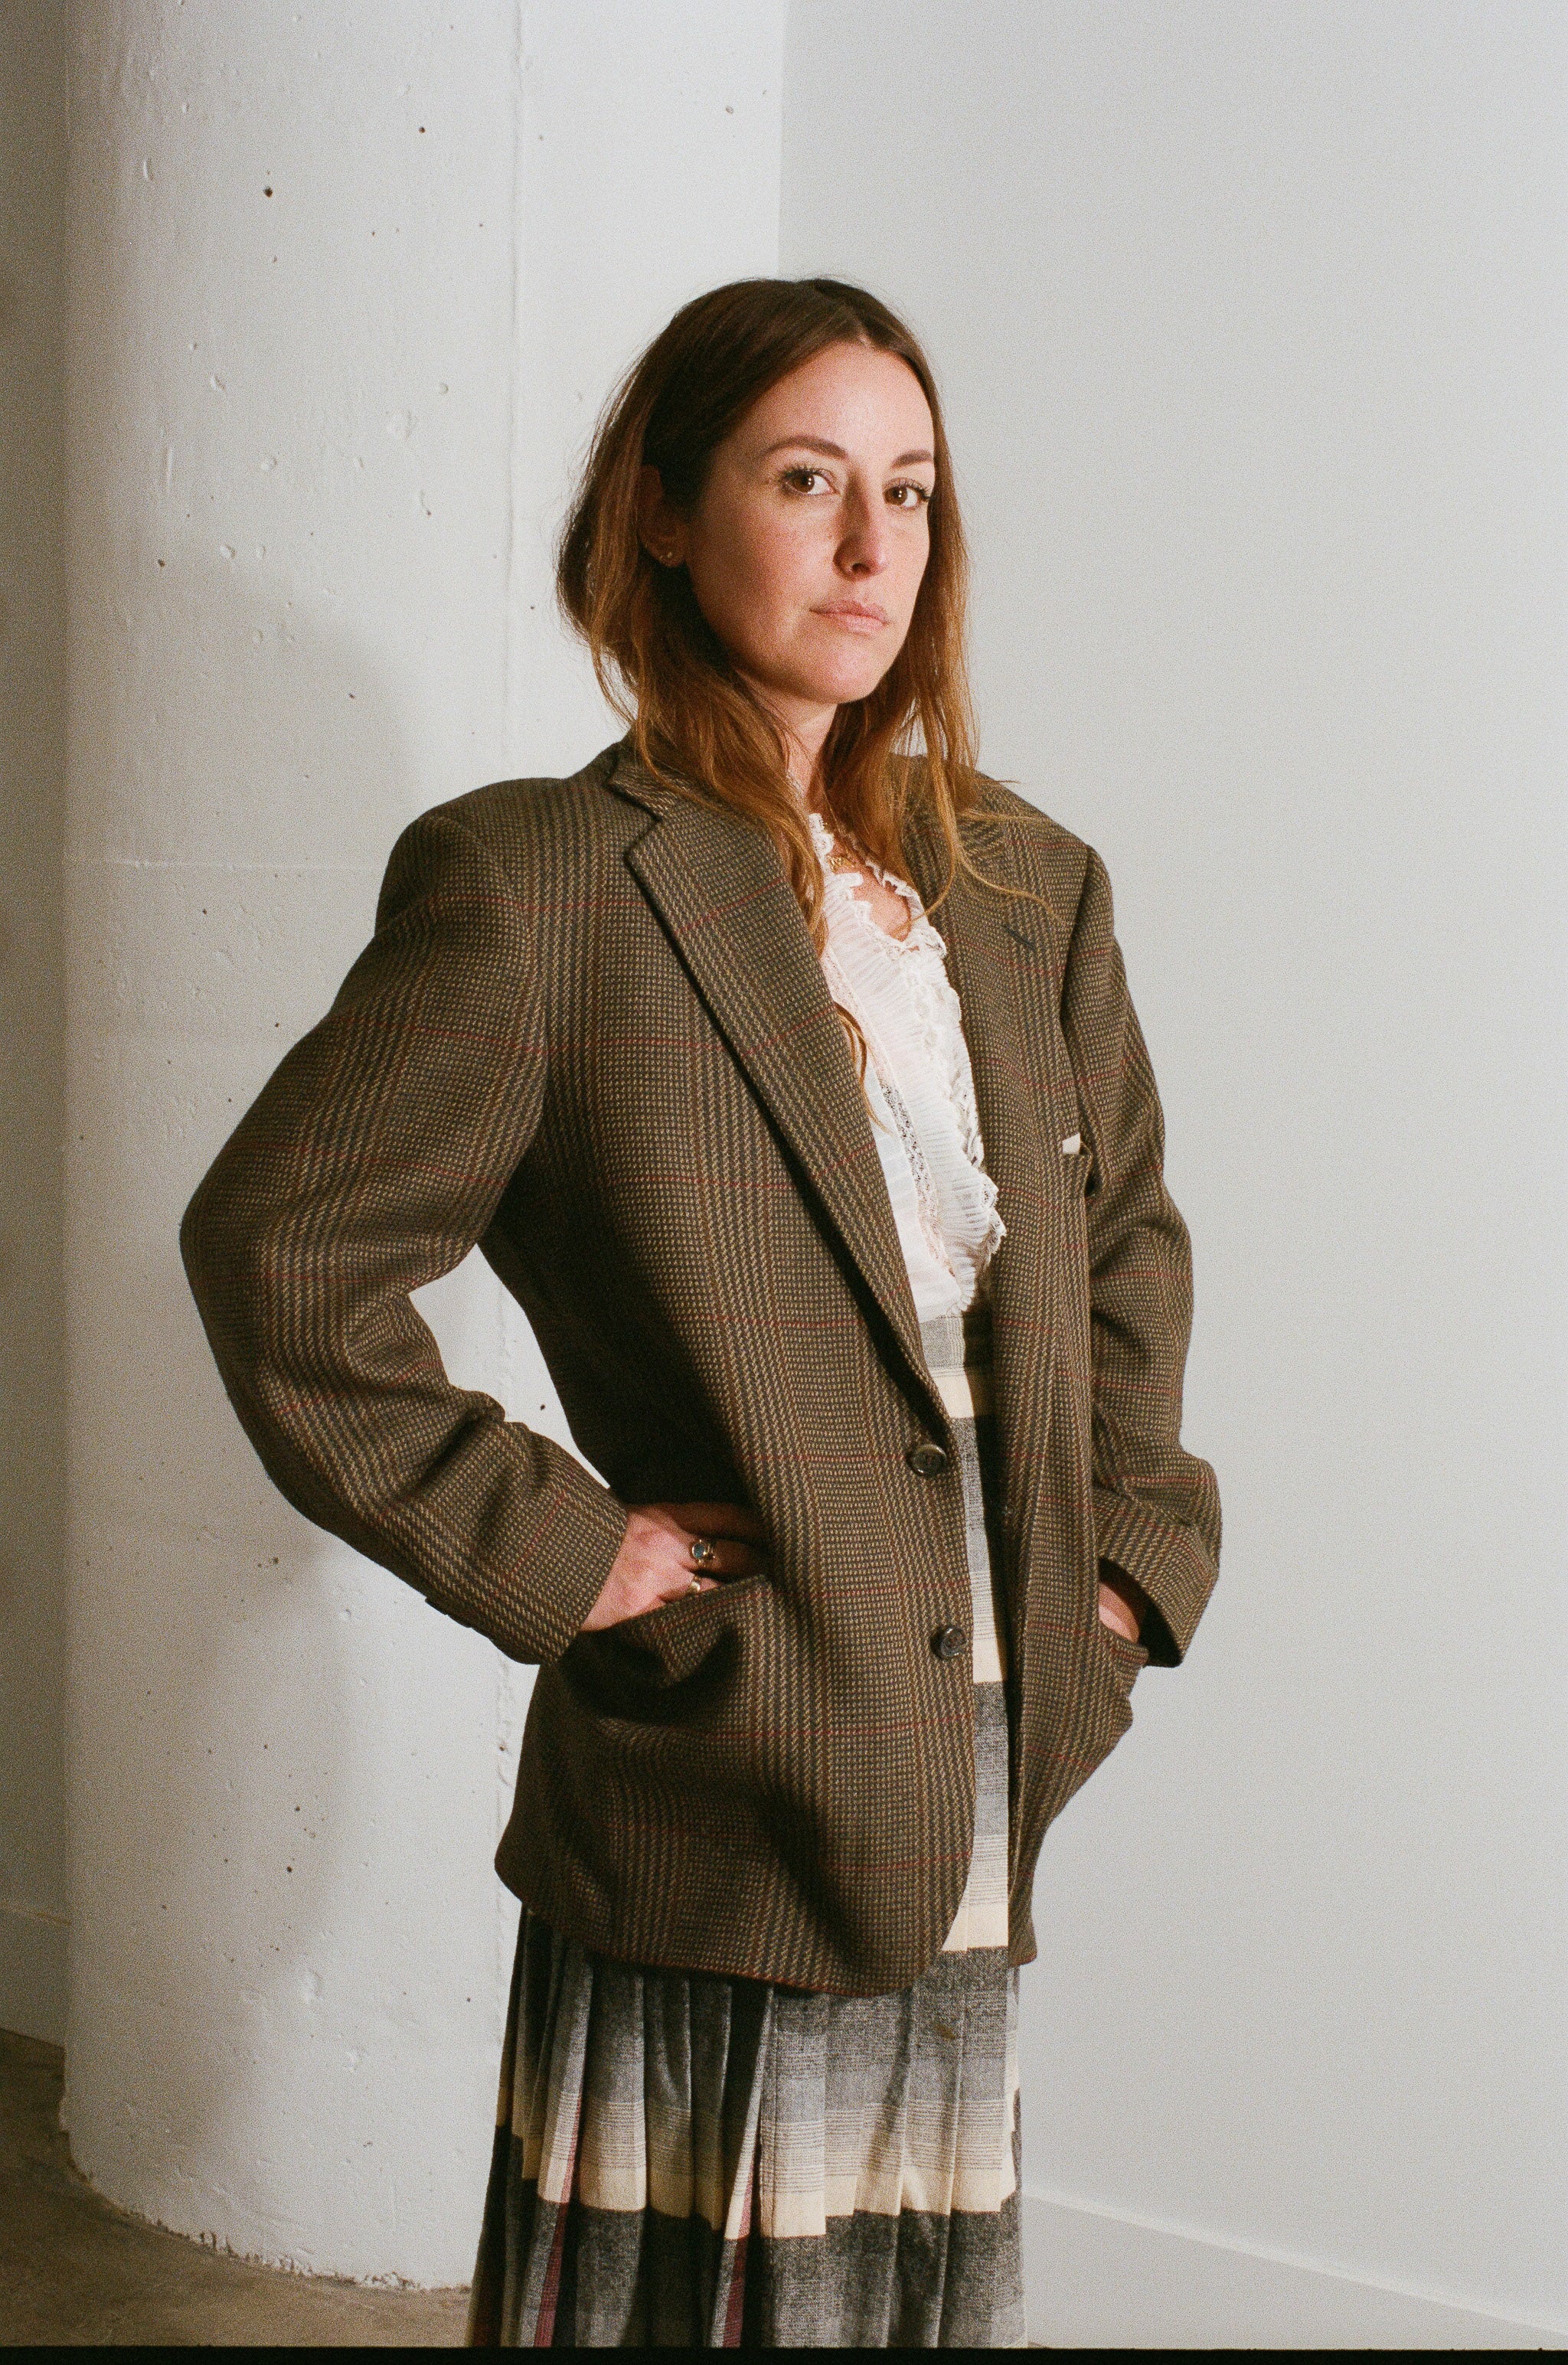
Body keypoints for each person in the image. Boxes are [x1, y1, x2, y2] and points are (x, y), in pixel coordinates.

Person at [181, 276, 1220, 2350]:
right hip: (725, 1754)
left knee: (915, 2304)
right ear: (662, 513)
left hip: (988, 1748)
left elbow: (1128, 1268)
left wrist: (1124, 1571)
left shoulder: (1029, 888)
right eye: (806, 479)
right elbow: (283, 1253)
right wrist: (578, 1556)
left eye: (909, 493)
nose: (871, 547)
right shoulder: (547, 881)